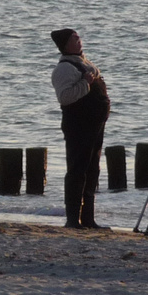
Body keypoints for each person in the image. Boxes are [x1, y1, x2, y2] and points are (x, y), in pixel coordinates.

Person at [50, 28, 110, 229]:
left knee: (92, 170)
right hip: (78, 126)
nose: (79, 41)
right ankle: (72, 219)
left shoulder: (84, 62)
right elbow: (65, 97)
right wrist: (86, 82)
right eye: (74, 38)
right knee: (77, 170)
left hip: (95, 125)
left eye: (78, 37)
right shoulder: (64, 69)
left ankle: (88, 219)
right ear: (65, 45)